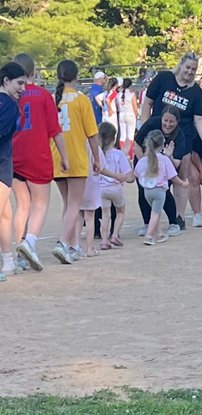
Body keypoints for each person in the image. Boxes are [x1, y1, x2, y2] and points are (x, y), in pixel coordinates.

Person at [141, 52, 202, 219]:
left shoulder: (196, 91)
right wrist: (145, 127)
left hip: (182, 138)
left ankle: (178, 218)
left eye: (194, 69)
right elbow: (148, 102)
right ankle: (150, 221)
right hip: (158, 135)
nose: (190, 71)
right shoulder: (164, 78)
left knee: (180, 178)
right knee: (154, 177)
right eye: (188, 67)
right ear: (181, 65)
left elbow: (198, 118)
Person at [11, 53, 68, 272]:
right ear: (33, 71)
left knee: (22, 205)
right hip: (37, 154)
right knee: (41, 203)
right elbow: (55, 131)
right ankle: (30, 242)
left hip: (15, 155)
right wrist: (65, 157)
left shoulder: (10, 94)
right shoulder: (43, 95)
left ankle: (19, 253)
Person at [51, 60, 101, 264]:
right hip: (76, 157)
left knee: (67, 204)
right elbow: (92, 134)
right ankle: (64, 243)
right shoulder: (81, 100)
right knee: (75, 204)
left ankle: (72, 245)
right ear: (76, 76)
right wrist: (97, 159)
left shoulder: (53, 99)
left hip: (56, 156)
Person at [134, 107, 187, 235]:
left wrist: (169, 157)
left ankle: (173, 223)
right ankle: (147, 224)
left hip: (164, 165)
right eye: (165, 120)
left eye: (172, 122)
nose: (168, 124)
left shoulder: (179, 136)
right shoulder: (152, 124)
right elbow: (136, 143)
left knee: (164, 191)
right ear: (161, 118)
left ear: (177, 122)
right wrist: (145, 162)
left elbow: (177, 163)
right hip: (144, 160)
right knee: (143, 191)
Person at [0, 62, 26, 280]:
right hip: (1, 165)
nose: (23, 88)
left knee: (6, 215)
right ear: (6, 81)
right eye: (19, 83)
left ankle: (8, 261)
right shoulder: (9, 105)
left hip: (4, 161)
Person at [97, 121, 134, 248]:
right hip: (115, 187)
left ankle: (104, 240)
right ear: (114, 138)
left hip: (101, 188)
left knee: (105, 215)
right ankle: (115, 235)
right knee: (120, 212)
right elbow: (130, 177)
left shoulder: (98, 154)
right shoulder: (118, 154)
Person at [116, 78, 138, 157]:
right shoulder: (131, 94)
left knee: (123, 136)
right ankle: (130, 154)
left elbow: (118, 107)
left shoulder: (118, 94)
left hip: (122, 114)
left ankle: (123, 153)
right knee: (130, 135)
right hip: (130, 114)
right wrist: (136, 115)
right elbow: (135, 107)